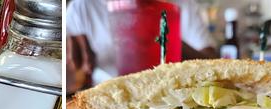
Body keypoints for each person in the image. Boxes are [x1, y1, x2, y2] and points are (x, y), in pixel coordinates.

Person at [66, 0, 218, 92]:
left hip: (172, 94)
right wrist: (72, 69)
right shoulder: (82, 8)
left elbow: (214, 64)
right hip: (110, 99)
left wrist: (162, 37)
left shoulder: (182, 4)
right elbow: (67, 82)